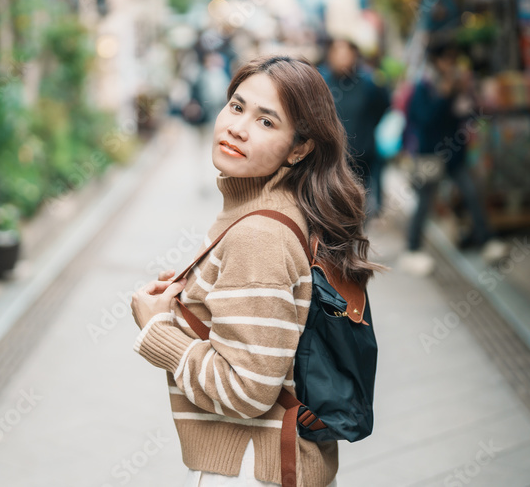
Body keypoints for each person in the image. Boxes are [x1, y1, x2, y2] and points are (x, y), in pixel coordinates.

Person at [130, 55, 385, 487]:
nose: (238, 127)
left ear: (300, 147)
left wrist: (157, 329)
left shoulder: (259, 234)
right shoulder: (279, 209)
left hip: (255, 468)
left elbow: (246, 390)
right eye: (236, 106)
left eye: (267, 122)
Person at [401, 39, 502, 274]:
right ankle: (413, 248)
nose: (451, 64)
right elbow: (424, 119)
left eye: (453, 59)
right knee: (424, 203)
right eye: (447, 58)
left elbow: (469, 114)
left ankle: (486, 240)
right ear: (436, 61)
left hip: (455, 154)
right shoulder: (423, 86)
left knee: (472, 193)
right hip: (429, 155)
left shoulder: (458, 85)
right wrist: (443, 97)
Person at [318, 38, 391, 217]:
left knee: (356, 205)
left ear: (355, 56)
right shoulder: (320, 81)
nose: (342, 58)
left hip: (360, 155)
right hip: (329, 157)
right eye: (337, 53)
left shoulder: (369, 83)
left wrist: (368, 128)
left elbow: (383, 106)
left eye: (346, 53)